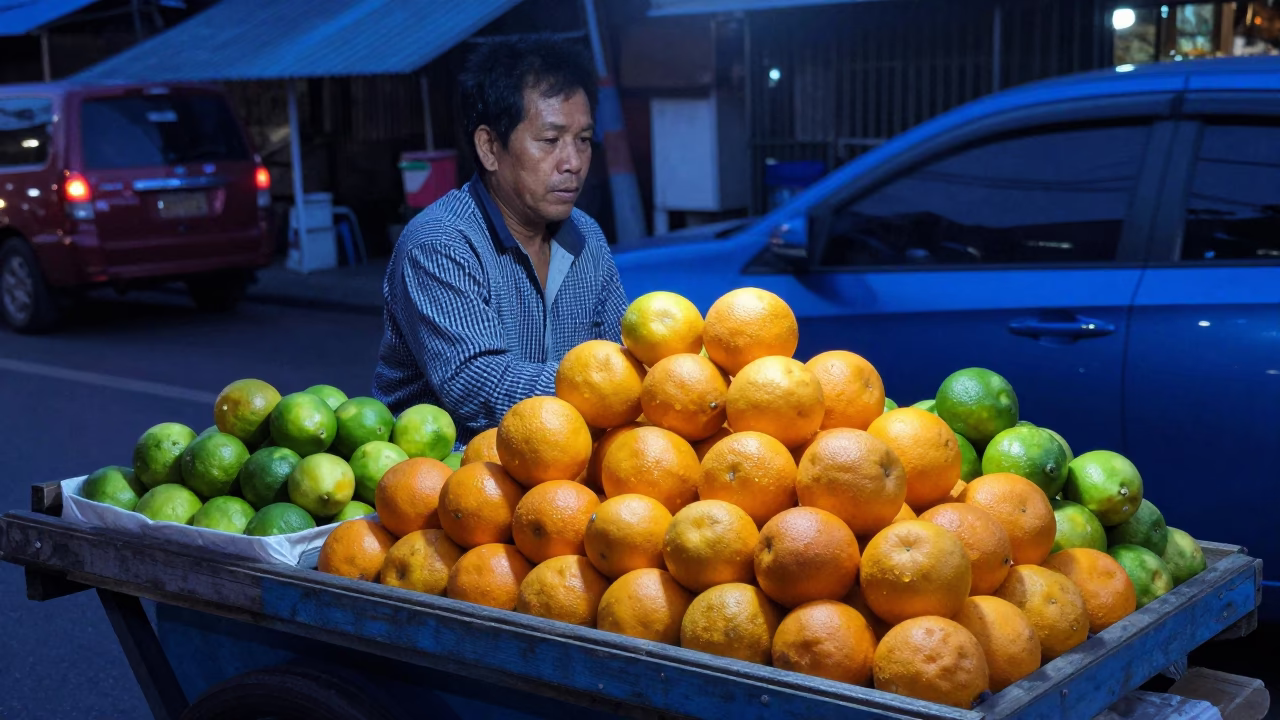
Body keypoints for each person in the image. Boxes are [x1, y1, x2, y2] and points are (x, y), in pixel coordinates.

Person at [373, 36, 629, 445]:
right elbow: (478, 385)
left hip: (555, 471)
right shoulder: (440, 243)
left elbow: (622, 346)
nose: (574, 162)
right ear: (490, 148)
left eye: (583, 139)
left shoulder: (587, 236)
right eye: (550, 141)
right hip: (446, 484)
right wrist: (615, 384)